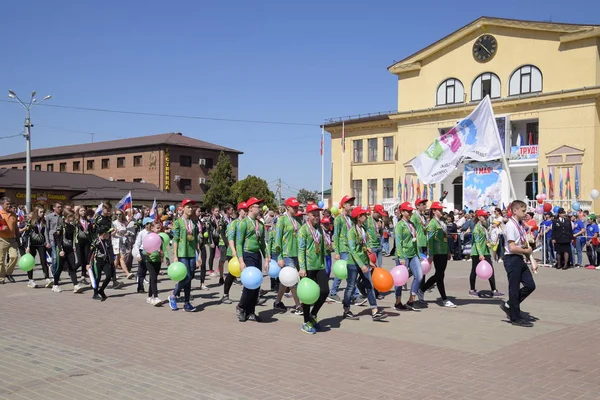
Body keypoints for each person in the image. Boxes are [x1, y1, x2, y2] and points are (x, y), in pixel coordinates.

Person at [342, 206, 387, 321]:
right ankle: (346, 310)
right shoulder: (351, 232)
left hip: (364, 262)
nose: (366, 216)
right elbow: (352, 250)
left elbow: (362, 245)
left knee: (369, 285)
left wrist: (368, 255)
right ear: (358, 217)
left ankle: (374, 311)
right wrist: (361, 265)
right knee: (350, 286)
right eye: (364, 215)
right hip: (353, 264)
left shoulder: (363, 229)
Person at [499, 200, 537, 327]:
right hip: (511, 258)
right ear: (515, 211)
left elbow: (523, 244)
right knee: (514, 288)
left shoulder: (520, 225)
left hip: (519, 258)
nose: (525, 213)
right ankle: (515, 318)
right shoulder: (510, 226)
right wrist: (526, 251)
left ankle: (509, 304)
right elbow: (512, 247)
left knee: (530, 285)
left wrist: (531, 259)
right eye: (523, 210)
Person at [298, 204, 330, 334]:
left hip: (319, 265)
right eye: (314, 215)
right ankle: (306, 322)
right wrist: (302, 267)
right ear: (308, 215)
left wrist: (325, 263)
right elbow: (301, 249)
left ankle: (313, 314)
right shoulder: (303, 230)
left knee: (324, 291)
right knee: (307, 296)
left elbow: (321, 247)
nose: (317, 217)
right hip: (308, 267)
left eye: (318, 214)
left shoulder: (320, 229)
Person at [236, 197, 270, 322]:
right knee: (249, 283)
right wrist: (241, 260)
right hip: (247, 254)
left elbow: (262, 243)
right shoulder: (243, 223)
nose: (260, 208)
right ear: (250, 208)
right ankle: (241, 307)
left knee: (256, 284)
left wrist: (266, 258)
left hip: (256, 255)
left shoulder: (260, 224)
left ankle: (251, 311)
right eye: (257, 206)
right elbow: (238, 243)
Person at [419, 201, 456, 307]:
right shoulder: (432, 224)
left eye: (441, 209)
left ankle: (422, 290)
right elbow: (429, 240)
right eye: (439, 210)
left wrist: (448, 251)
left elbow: (445, 238)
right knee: (439, 275)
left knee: (440, 275)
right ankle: (444, 299)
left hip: (444, 251)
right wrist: (430, 254)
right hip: (437, 252)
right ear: (434, 211)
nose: (441, 211)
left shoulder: (442, 222)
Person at [168, 199, 199, 312]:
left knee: (190, 278)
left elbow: (195, 240)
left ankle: (187, 303)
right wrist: (175, 256)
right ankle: (173, 295)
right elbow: (175, 239)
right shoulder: (178, 222)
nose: (191, 209)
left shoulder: (194, 223)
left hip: (191, 253)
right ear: (183, 208)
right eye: (188, 207)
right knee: (187, 276)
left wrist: (198, 256)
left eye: (192, 207)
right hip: (182, 253)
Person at [273, 197, 303, 314]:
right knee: (293, 279)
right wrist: (279, 256)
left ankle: (277, 302)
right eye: (294, 207)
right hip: (286, 254)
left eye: (297, 206)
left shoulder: (298, 220)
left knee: (285, 281)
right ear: (287, 207)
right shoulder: (282, 220)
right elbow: (277, 240)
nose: (296, 209)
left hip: (298, 254)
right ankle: (298, 305)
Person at [328, 195, 360, 303]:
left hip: (351, 249)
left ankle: (333, 293)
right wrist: (336, 252)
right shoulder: (339, 219)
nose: (352, 206)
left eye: (352, 204)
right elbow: (336, 236)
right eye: (350, 204)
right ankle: (355, 295)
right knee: (348, 271)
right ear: (344, 205)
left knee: (343, 272)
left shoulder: (351, 218)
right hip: (343, 249)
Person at [393, 202, 423, 312]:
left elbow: (415, 240)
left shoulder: (411, 224)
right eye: (408, 211)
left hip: (413, 254)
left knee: (419, 276)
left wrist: (418, 254)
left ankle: (411, 301)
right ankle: (397, 302)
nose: (410, 213)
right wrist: (401, 257)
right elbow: (398, 242)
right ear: (402, 212)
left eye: (411, 211)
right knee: (400, 280)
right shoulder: (399, 226)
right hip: (403, 255)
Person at [469, 210, 504, 298]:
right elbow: (477, 242)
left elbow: (485, 239)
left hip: (485, 251)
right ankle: (472, 289)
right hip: (477, 253)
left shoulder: (483, 227)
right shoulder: (476, 229)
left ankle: (494, 290)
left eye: (486, 216)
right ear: (479, 217)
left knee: (490, 270)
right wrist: (480, 254)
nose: (485, 218)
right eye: (484, 216)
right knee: (474, 271)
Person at [133, 218, 164, 306]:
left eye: (160, 228)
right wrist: (147, 253)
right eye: (157, 228)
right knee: (153, 278)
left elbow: (162, 249)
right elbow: (142, 249)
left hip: (158, 261)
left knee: (153, 278)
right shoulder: (148, 237)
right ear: (152, 228)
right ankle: (156, 297)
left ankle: (149, 297)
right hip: (149, 260)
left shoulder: (160, 237)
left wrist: (164, 256)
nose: (159, 230)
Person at [220, 202, 246, 304]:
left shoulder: (248, 223)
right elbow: (230, 238)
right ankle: (225, 295)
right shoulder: (233, 224)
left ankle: (251, 295)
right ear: (239, 211)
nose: (246, 211)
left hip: (244, 251)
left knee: (247, 273)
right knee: (232, 274)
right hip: (233, 253)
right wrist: (234, 251)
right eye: (244, 210)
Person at [53, 210, 85, 293]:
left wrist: (74, 246)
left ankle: (75, 285)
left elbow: (74, 237)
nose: (73, 218)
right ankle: (55, 285)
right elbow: (58, 239)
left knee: (72, 267)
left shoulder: (72, 226)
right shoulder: (61, 226)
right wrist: (60, 250)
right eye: (71, 216)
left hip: (70, 249)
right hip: (62, 249)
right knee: (59, 268)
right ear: (67, 217)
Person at [23, 206, 51, 288]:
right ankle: (30, 280)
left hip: (41, 244)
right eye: (41, 212)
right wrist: (27, 246)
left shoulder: (44, 222)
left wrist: (47, 242)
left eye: (43, 212)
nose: (42, 214)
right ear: (36, 212)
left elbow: (46, 233)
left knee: (43, 261)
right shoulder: (30, 222)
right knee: (30, 262)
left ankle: (47, 279)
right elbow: (26, 235)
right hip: (32, 245)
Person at [87, 224, 115, 301]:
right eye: (108, 233)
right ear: (104, 234)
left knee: (109, 276)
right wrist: (88, 263)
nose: (109, 234)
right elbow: (90, 252)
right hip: (97, 262)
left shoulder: (107, 241)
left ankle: (101, 290)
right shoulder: (96, 242)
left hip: (105, 261)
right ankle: (95, 294)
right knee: (97, 278)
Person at [133, 217, 154, 294]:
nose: (151, 225)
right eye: (150, 223)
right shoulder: (142, 233)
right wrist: (138, 255)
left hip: (151, 252)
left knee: (152, 271)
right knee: (142, 271)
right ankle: (140, 287)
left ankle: (152, 289)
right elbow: (137, 244)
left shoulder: (153, 232)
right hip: (143, 252)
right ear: (146, 225)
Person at [112, 209, 135, 280]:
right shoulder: (114, 223)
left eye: (120, 214)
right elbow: (111, 234)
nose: (118, 215)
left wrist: (127, 233)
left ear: (122, 215)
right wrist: (115, 231)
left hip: (123, 242)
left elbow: (129, 230)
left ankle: (112, 273)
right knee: (120, 258)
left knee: (119, 258)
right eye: (117, 214)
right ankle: (127, 273)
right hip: (116, 242)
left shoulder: (125, 222)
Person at [0, 197, 19, 284]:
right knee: (1, 260)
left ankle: (8, 273)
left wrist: (18, 239)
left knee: (14, 257)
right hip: (1, 239)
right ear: (2, 204)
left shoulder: (14, 214)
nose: (9, 205)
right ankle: (1, 278)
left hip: (12, 239)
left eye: (10, 203)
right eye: (7, 204)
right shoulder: (0, 214)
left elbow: (16, 227)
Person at [45, 202, 63, 282]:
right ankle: (54, 273)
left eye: (61, 207)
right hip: (52, 238)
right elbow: (46, 230)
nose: (60, 208)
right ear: (54, 208)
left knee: (60, 258)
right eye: (58, 207)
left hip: (61, 239)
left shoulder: (63, 216)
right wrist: (47, 241)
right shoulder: (49, 217)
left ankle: (57, 273)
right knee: (55, 257)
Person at [75, 207, 92, 284]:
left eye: (84, 210)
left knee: (85, 260)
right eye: (81, 210)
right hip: (78, 241)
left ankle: (83, 276)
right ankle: (72, 270)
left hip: (87, 241)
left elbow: (91, 231)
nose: (83, 212)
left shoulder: (88, 221)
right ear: (78, 212)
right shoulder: (76, 221)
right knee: (80, 261)